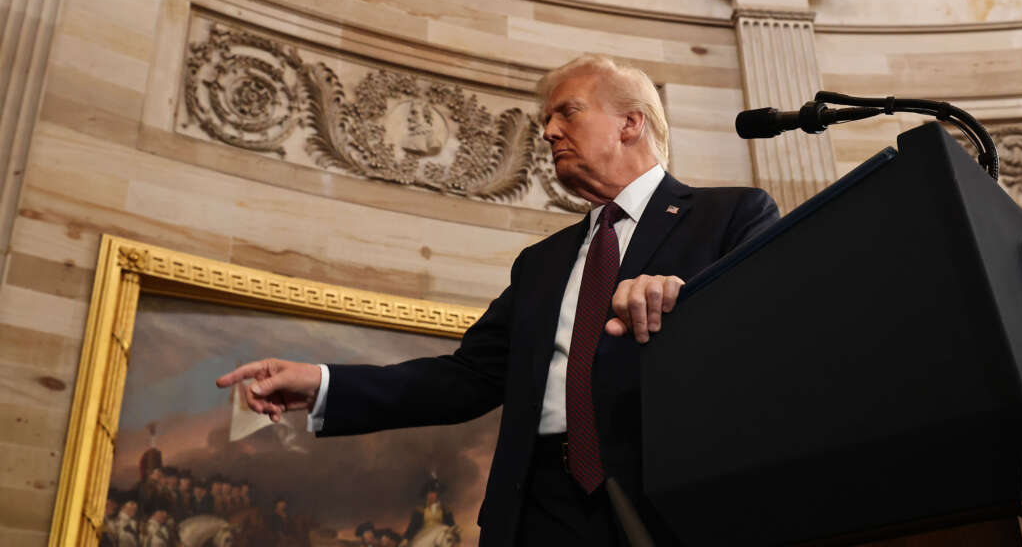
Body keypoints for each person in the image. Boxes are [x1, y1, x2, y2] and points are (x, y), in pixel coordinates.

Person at [217, 55, 779, 546]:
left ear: (630, 122)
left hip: (667, 498)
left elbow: (765, 341)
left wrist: (690, 301)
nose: (548, 132)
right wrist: (321, 384)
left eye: (568, 112)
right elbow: (465, 380)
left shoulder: (730, 215)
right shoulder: (541, 264)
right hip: (536, 507)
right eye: (546, 121)